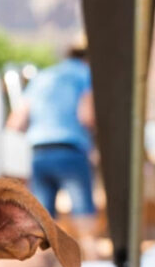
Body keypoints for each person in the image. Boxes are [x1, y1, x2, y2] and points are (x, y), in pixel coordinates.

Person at [6, 40, 97, 240]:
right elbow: (87, 116)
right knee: (84, 220)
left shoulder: (43, 77)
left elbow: (15, 122)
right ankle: (92, 260)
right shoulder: (86, 75)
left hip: (39, 154)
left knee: (41, 225)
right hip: (70, 151)